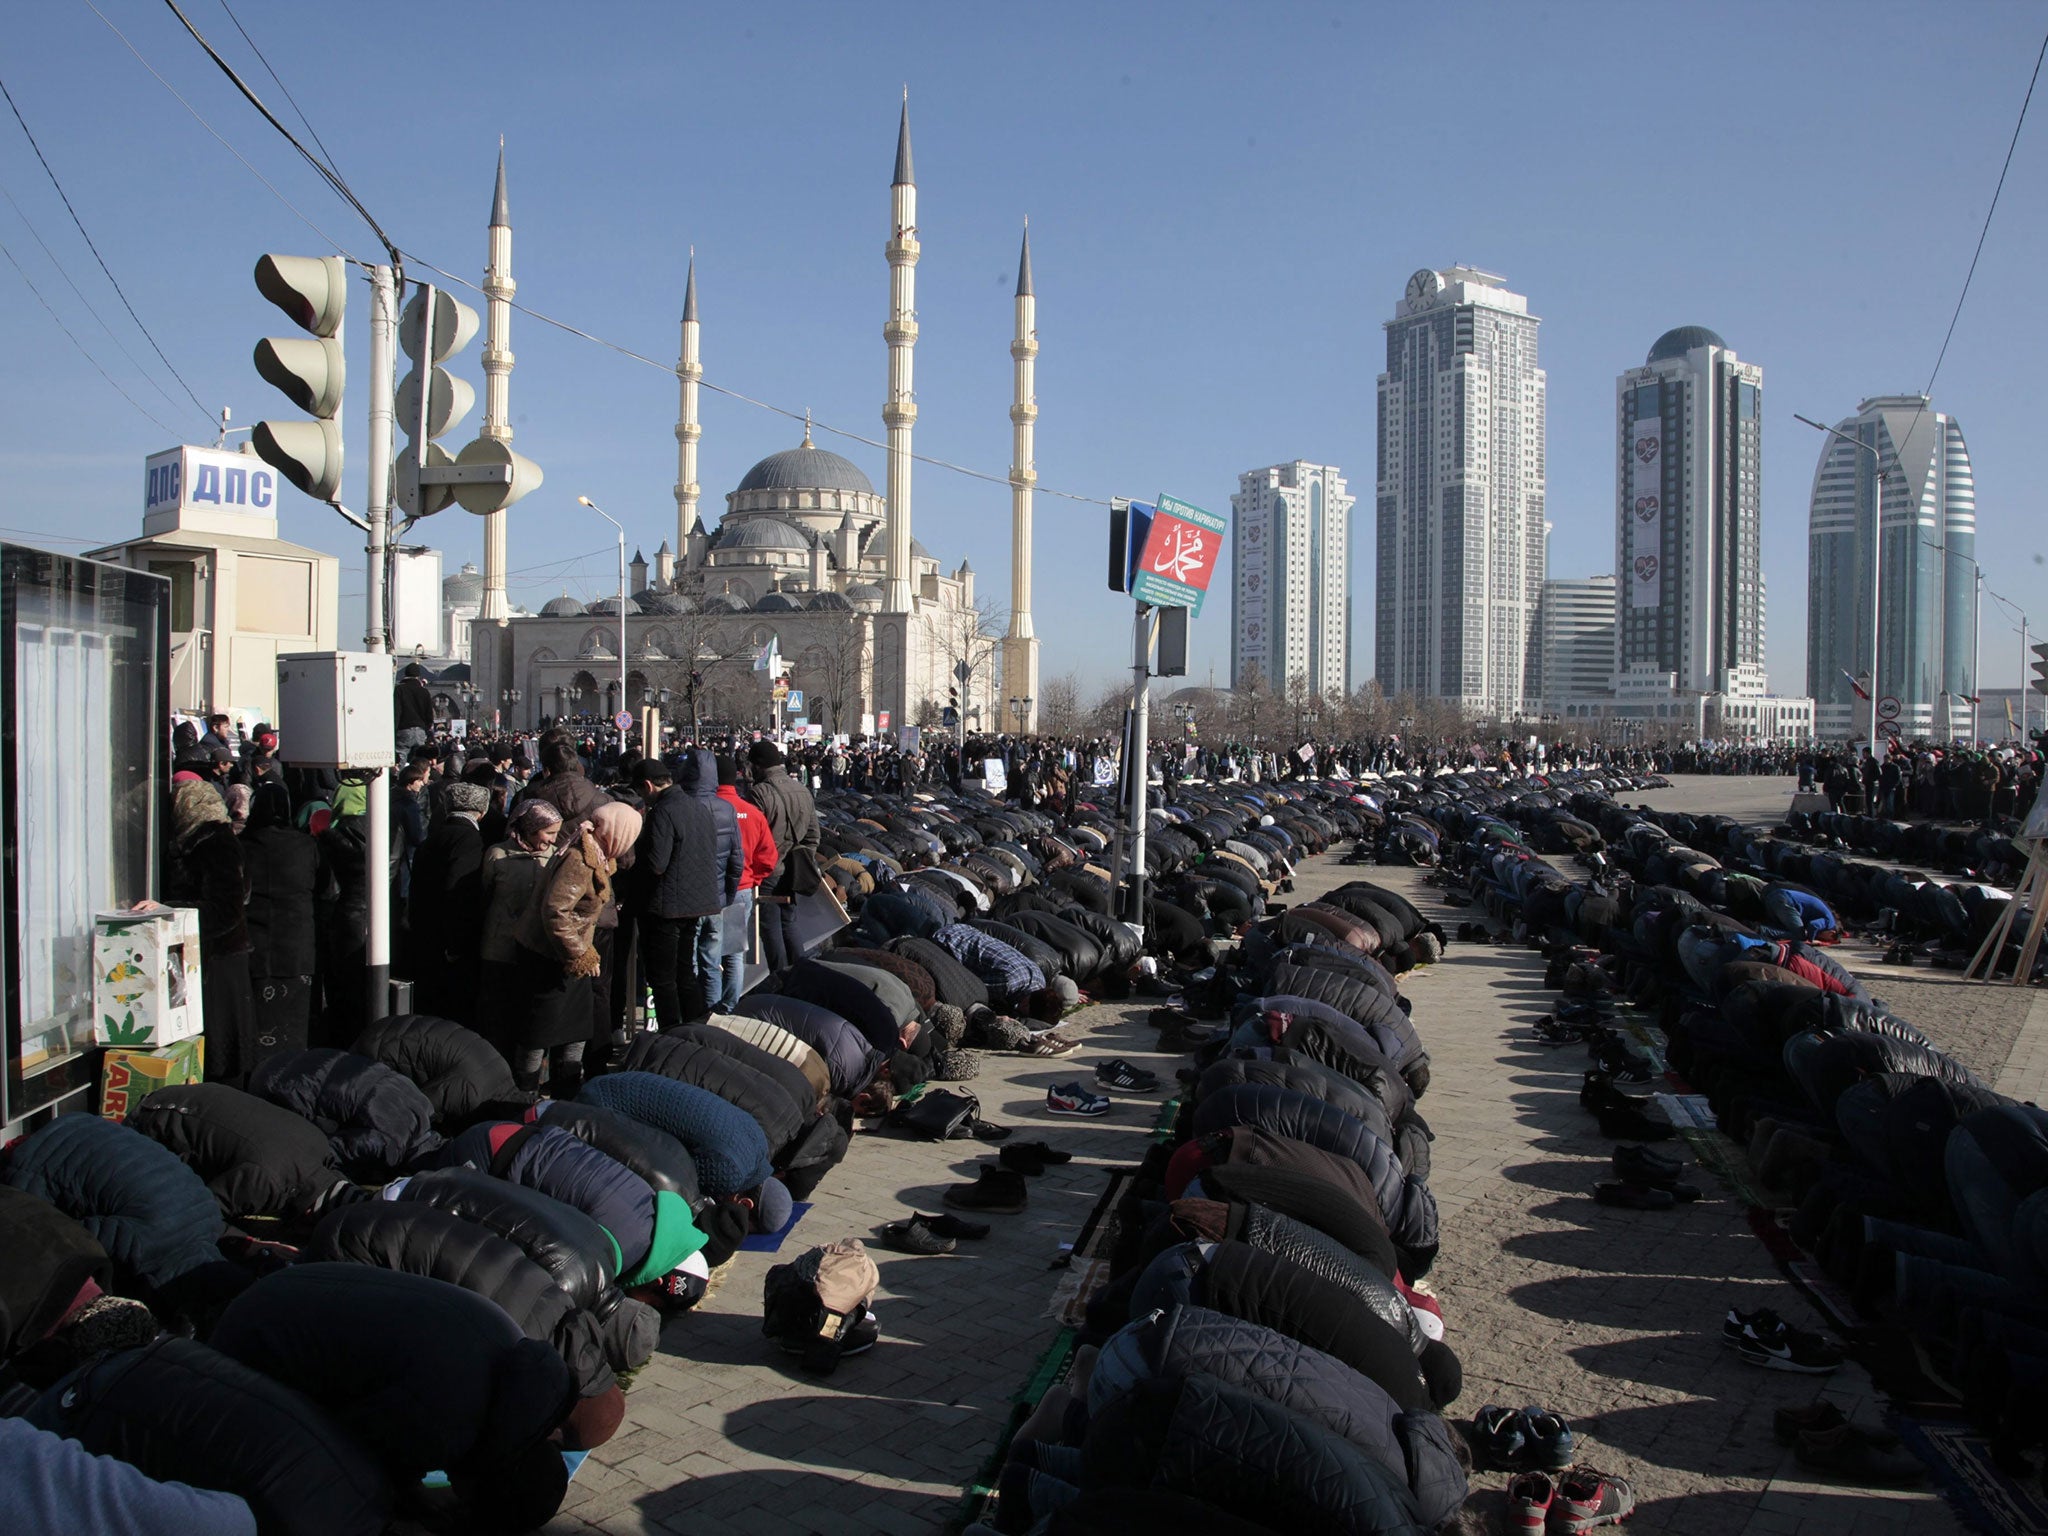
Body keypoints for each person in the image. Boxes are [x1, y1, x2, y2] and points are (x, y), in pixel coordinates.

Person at [513, 801, 644, 1095]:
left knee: (575, 1029)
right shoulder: (581, 860)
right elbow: (555, 911)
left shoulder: (592, 853)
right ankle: (526, 1097)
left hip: (564, 954)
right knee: (541, 1032)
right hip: (552, 955)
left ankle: (564, 1091)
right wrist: (580, 953)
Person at [164, 780, 257, 1085]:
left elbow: (227, 907)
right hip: (217, 957)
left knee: (222, 1045)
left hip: (220, 959)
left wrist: (171, 909)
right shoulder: (208, 840)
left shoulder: (215, 843)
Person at [635, 756, 723, 1032]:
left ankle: (671, 1033)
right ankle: (695, 1030)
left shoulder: (662, 812)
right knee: (686, 973)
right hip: (696, 903)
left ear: (647, 786)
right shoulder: (698, 807)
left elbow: (656, 864)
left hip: (666, 907)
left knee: (663, 979)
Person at [241, 781, 321, 1065]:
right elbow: (320, 887)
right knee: (293, 1027)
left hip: (254, 946)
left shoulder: (243, 845)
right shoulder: (305, 844)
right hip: (297, 945)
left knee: (257, 1023)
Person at [476, 799, 562, 1059]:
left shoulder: (555, 857)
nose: (551, 840)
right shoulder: (497, 854)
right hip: (499, 947)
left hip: (535, 948)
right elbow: (485, 891)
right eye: (548, 833)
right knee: (497, 1015)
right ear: (531, 828)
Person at [407, 781, 489, 1023]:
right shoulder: (469, 839)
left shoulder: (434, 836)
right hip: (449, 940)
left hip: (425, 930)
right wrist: (457, 942)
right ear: (481, 812)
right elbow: (458, 891)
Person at [744, 741, 820, 973]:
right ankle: (801, 974)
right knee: (789, 921)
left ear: (757, 766)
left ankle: (779, 979)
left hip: (768, 871)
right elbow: (813, 834)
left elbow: (751, 836)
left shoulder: (759, 793)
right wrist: (802, 859)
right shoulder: (801, 790)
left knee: (770, 927)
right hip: (793, 869)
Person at [714, 753, 778, 1012]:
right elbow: (769, 858)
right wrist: (753, 879)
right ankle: (729, 1008)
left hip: (708, 890)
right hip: (742, 889)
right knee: (733, 954)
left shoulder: (704, 809)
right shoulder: (751, 813)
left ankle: (704, 1007)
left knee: (704, 952)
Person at [394, 664, 435, 755]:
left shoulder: (399, 689)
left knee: (400, 761)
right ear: (418, 676)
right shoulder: (424, 691)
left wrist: (395, 730)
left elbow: (397, 712)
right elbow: (429, 714)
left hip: (404, 730)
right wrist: (425, 728)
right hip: (420, 731)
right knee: (419, 761)